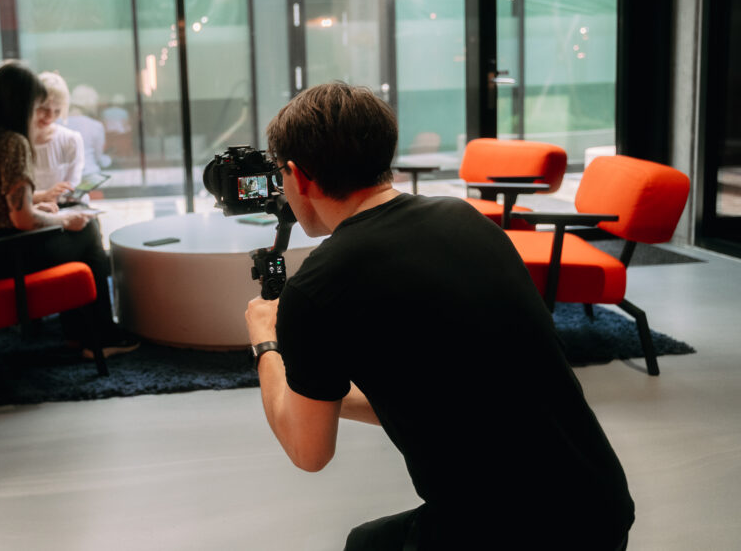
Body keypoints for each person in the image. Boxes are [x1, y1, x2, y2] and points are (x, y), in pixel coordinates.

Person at [244, 82, 634, 550]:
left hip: (503, 531)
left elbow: (309, 454)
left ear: (297, 176)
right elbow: (444, 397)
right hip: (600, 505)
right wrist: (325, 400)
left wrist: (266, 342)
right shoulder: (466, 219)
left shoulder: (318, 285)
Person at [0, 61, 137, 358]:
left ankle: (81, 335)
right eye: (38, 106)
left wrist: (41, 205)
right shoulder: (11, 142)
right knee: (88, 232)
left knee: (74, 231)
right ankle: (99, 336)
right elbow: (23, 219)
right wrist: (62, 219)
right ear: (23, 105)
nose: (40, 114)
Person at [31, 71, 85, 206]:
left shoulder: (70, 140)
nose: (50, 117)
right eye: (44, 109)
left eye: (57, 111)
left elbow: (72, 186)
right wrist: (43, 197)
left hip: (62, 206)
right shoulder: (18, 142)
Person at [66, 83, 111, 176]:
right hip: (90, 176)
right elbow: (98, 157)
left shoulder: (58, 123)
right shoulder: (96, 126)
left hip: (65, 179)